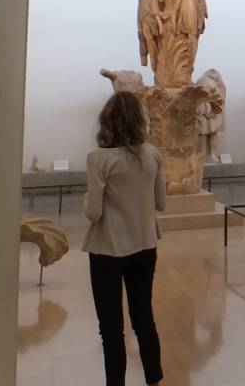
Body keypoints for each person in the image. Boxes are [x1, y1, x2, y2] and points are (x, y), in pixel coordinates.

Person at [83, 91, 166, 386]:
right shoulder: (152, 154)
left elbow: (93, 213)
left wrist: (86, 200)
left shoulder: (98, 158)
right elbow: (161, 203)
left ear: (107, 120)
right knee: (144, 319)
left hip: (108, 249)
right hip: (145, 246)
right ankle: (154, 379)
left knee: (111, 329)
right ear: (139, 120)